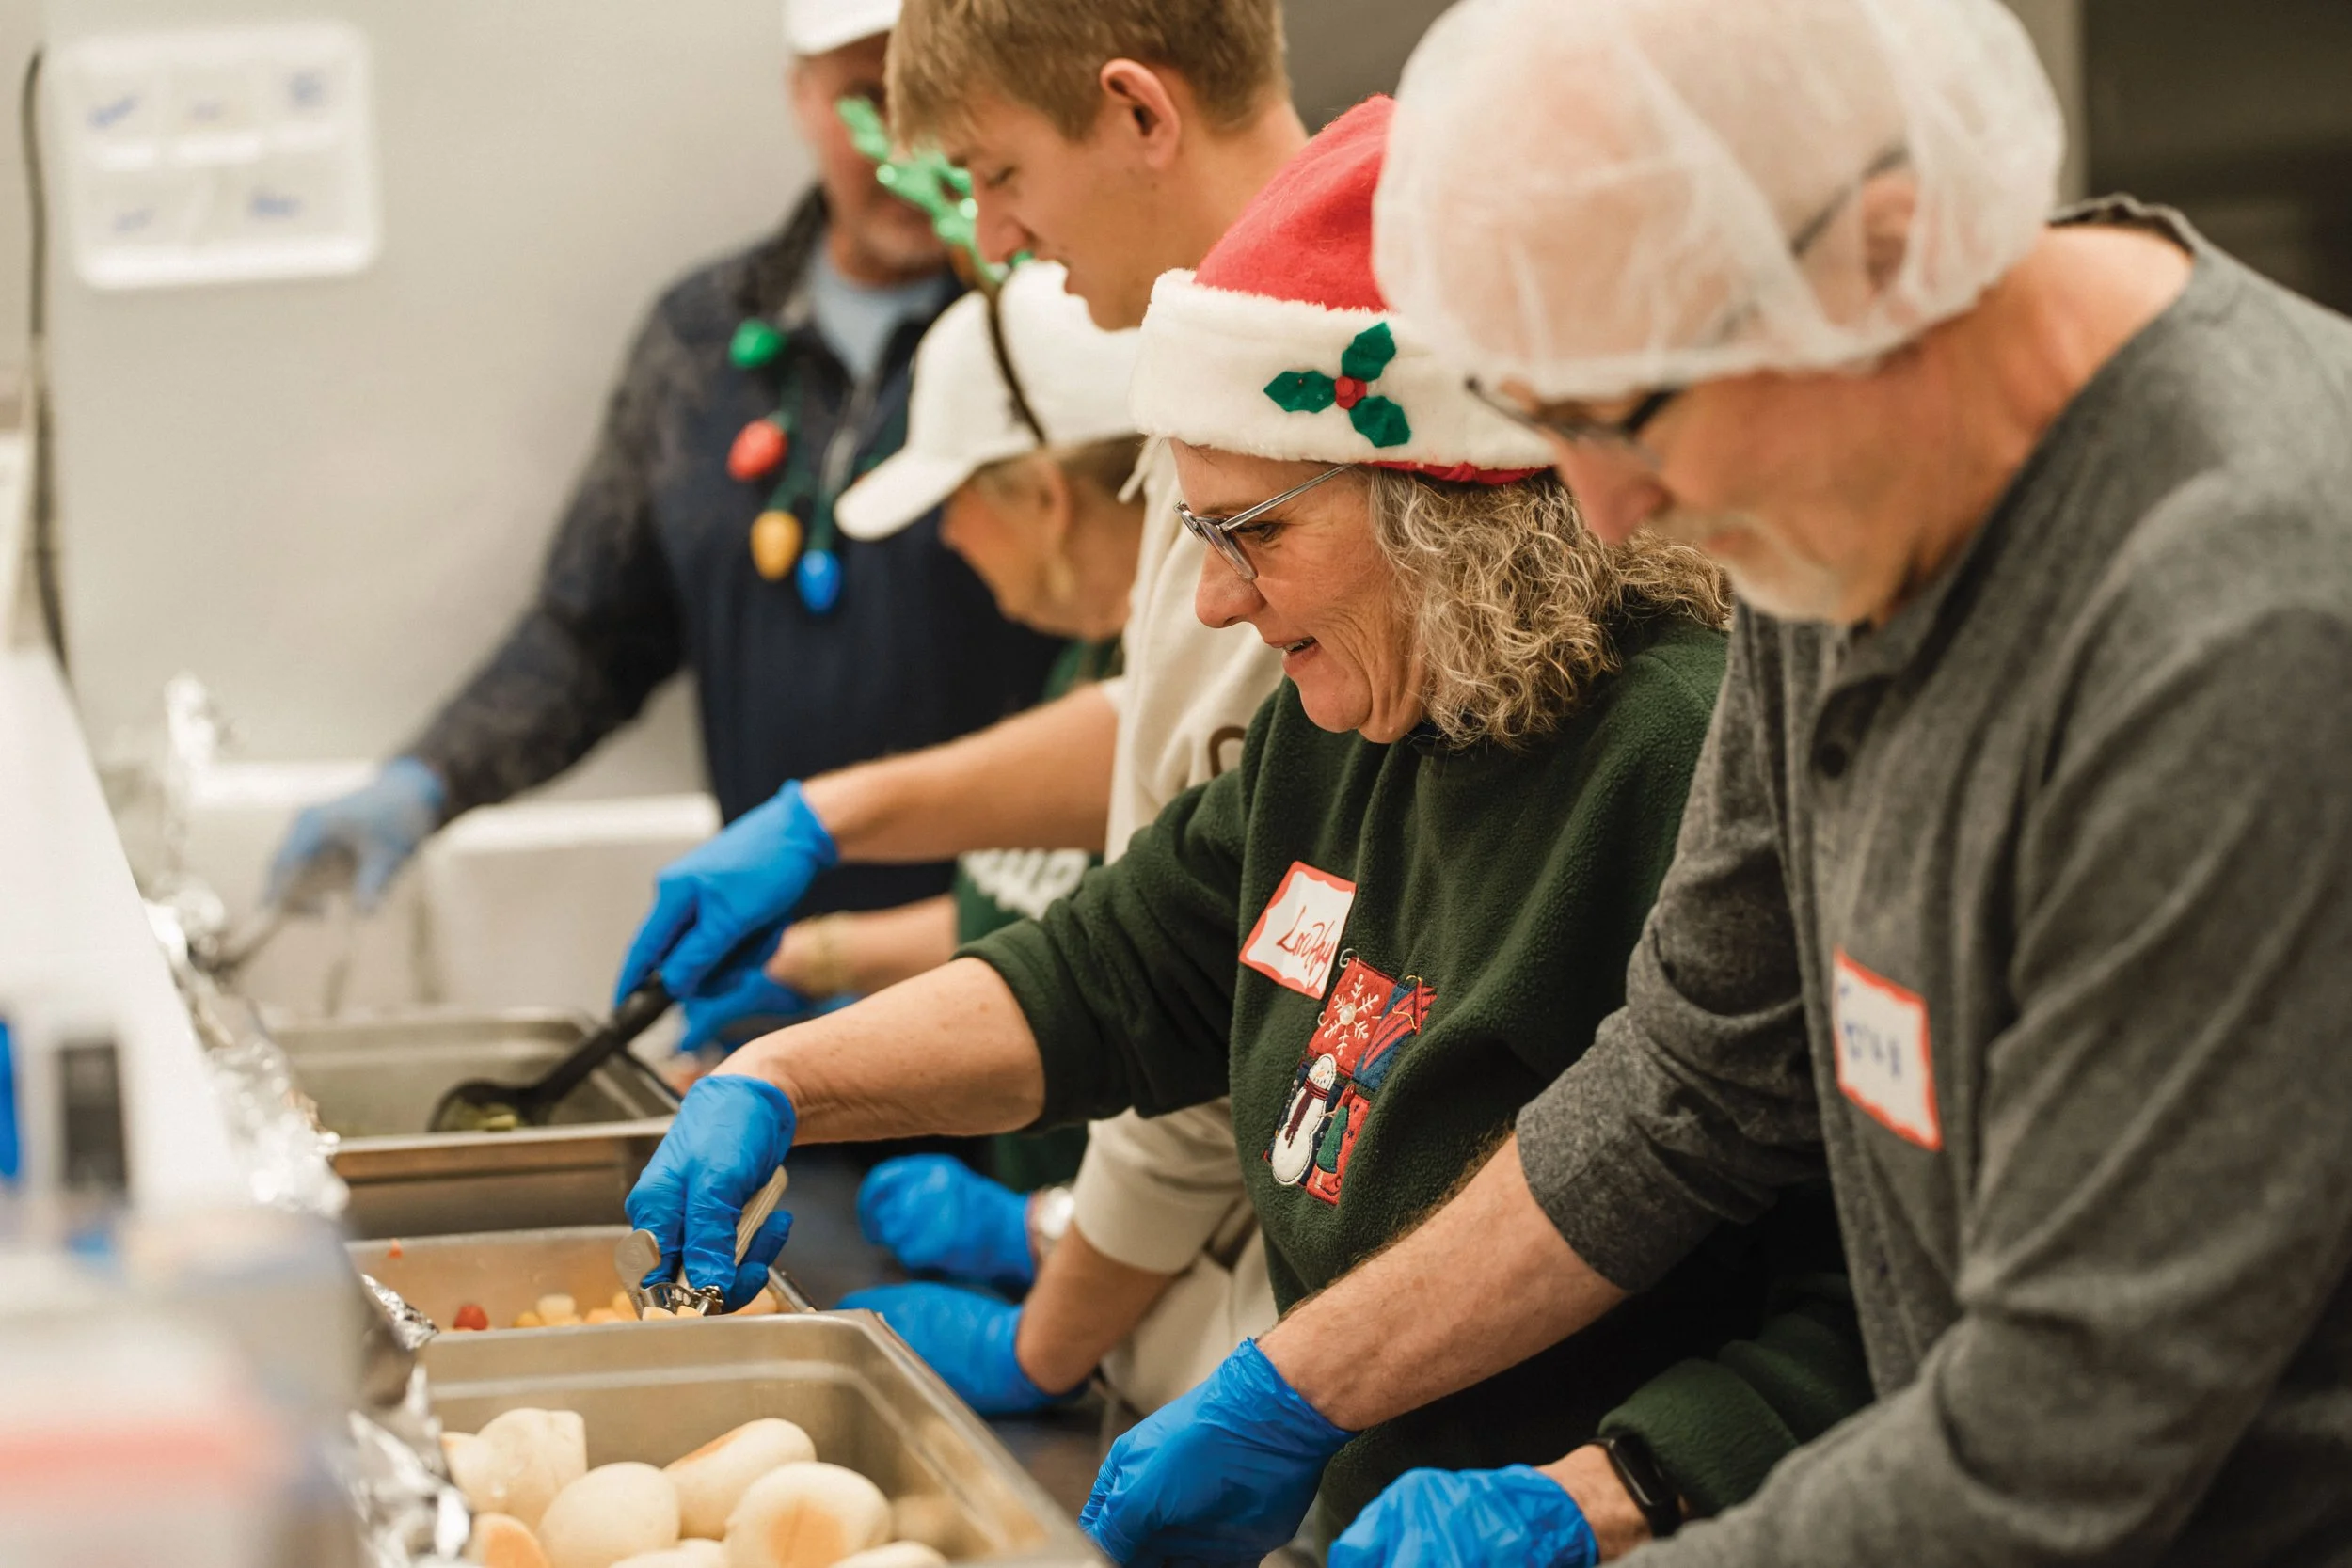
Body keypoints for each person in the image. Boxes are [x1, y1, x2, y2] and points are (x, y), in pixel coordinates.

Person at [1076, 1, 2352, 1564]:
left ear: (1882, 255)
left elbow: (2060, 1438)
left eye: (1632, 417)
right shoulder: (1861, 476)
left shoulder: (2235, 618)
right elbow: (1691, 1074)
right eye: (1554, 424)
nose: (1608, 517)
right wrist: (1299, 1383)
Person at [624, 100, 1869, 1549]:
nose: (1213, 599)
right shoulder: (1354, 725)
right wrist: (784, 1081)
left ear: (1447, 504)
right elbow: (1117, 965)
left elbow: (1868, 1291)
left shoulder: (1685, 754)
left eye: (1253, 532)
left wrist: (1618, 1489)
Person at [608, 0, 1309, 1423]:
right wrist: (831, 822)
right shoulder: (1221, 367)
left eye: (996, 173)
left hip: (1274, 1302)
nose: (987, 241)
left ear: (1135, 113)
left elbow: (1215, 963)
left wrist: (1048, 1333)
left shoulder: (1320, 410)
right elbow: (1173, 758)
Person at [261, 0, 1060, 990]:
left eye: (937, 100)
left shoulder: (1050, 330)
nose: (907, 146)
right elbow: (595, 631)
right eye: (867, 98)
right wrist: (430, 778)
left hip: (1024, 960)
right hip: (775, 968)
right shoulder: (701, 340)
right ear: (801, 98)